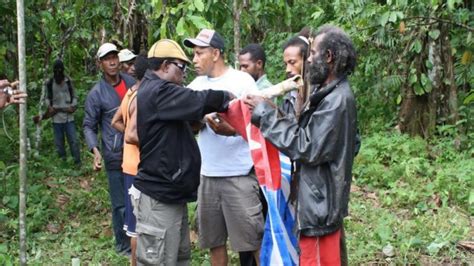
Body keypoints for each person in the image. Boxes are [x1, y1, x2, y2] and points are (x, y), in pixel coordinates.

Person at [244, 25, 357, 266]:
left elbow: (307, 146)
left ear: (328, 57)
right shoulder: (329, 93)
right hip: (319, 202)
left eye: (313, 53)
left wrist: (264, 115)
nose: (309, 60)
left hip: (320, 208)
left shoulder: (336, 100)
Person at [132, 39, 233, 265]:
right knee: (159, 260)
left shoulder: (160, 93)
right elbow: (197, 99)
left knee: (178, 258)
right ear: (166, 65)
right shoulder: (157, 91)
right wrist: (226, 97)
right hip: (159, 197)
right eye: (181, 66)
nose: (184, 73)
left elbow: (186, 115)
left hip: (171, 194)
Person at [184, 29, 263, 266]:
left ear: (216, 53)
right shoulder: (195, 86)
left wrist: (234, 129)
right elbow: (188, 125)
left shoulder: (242, 81)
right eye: (193, 54)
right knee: (214, 244)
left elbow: (259, 123)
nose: (194, 60)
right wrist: (199, 121)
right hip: (208, 177)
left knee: (253, 242)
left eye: (199, 53)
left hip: (239, 176)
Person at [83, 42, 135, 255]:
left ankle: (138, 241)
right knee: (120, 203)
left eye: (114, 57)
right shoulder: (96, 93)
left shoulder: (132, 82)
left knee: (138, 199)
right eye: (107, 58)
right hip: (115, 155)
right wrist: (95, 150)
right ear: (100, 63)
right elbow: (88, 125)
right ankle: (123, 245)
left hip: (138, 150)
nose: (112, 62)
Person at [111, 54, 148, 266]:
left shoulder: (130, 93)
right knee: (136, 227)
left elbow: (115, 121)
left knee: (134, 222)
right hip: (138, 166)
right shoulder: (142, 97)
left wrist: (127, 135)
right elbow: (133, 133)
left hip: (128, 164)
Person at [43, 59, 81, 165]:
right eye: (56, 71)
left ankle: (77, 162)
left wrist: (72, 105)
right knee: (59, 143)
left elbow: (75, 96)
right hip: (56, 118)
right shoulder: (50, 83)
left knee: (73, 141)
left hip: (69, 117)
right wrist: (49, 106)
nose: (58, 73)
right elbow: (47, 98)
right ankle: (63, 163)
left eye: (60, 70)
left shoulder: (68, 81)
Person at [281, 27, 311, 116]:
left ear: (307, 60)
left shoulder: (318, 97)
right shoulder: (288, 99)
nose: (287, 70)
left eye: (292, 62)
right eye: (286, 64)